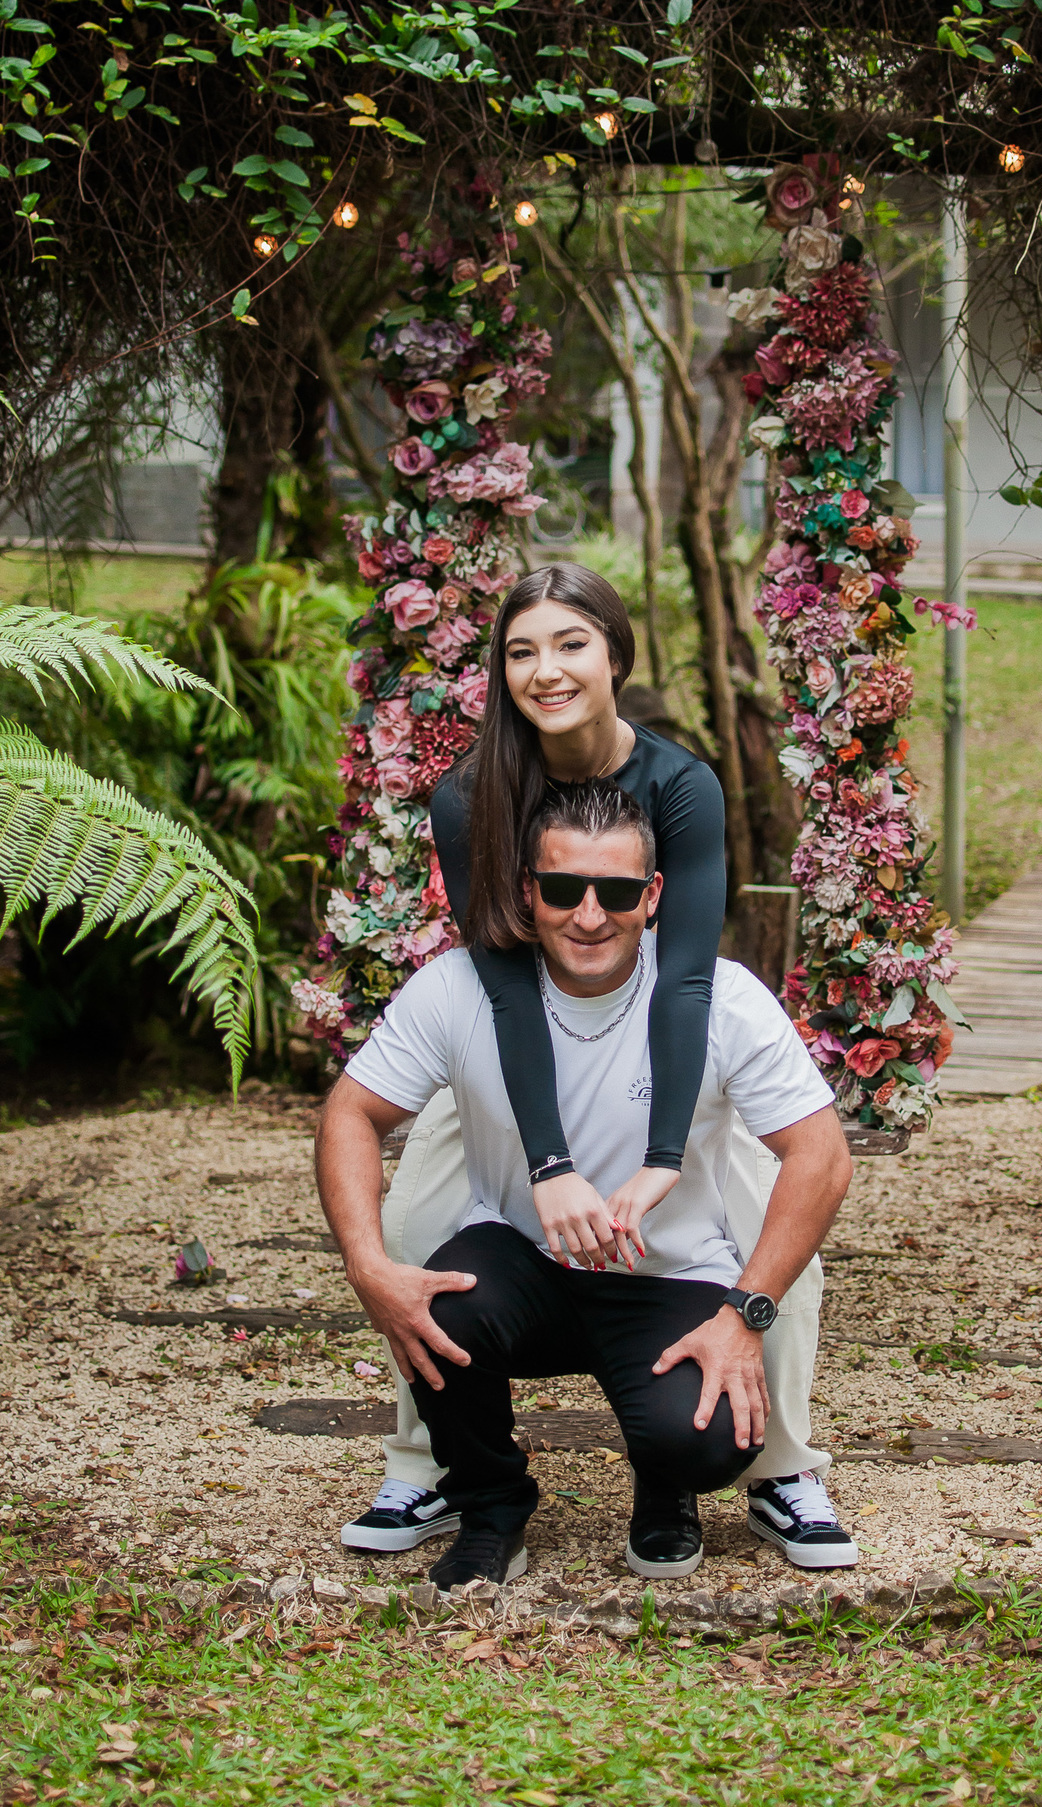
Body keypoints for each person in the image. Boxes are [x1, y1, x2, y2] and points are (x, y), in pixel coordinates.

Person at [338, 561, 857, 1568]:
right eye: (521, 650)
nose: (547, 670)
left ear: (615, 653)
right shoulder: (471, 796)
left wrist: (663, 1157)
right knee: (409, 1231)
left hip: (661, 1043)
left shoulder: (680, 785)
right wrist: (549, 1163)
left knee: (772, 1223)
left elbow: (687, 983)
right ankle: (430, 1461)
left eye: (570, 643)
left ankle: (780, 1464)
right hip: (515, 1055)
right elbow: (503, 986)